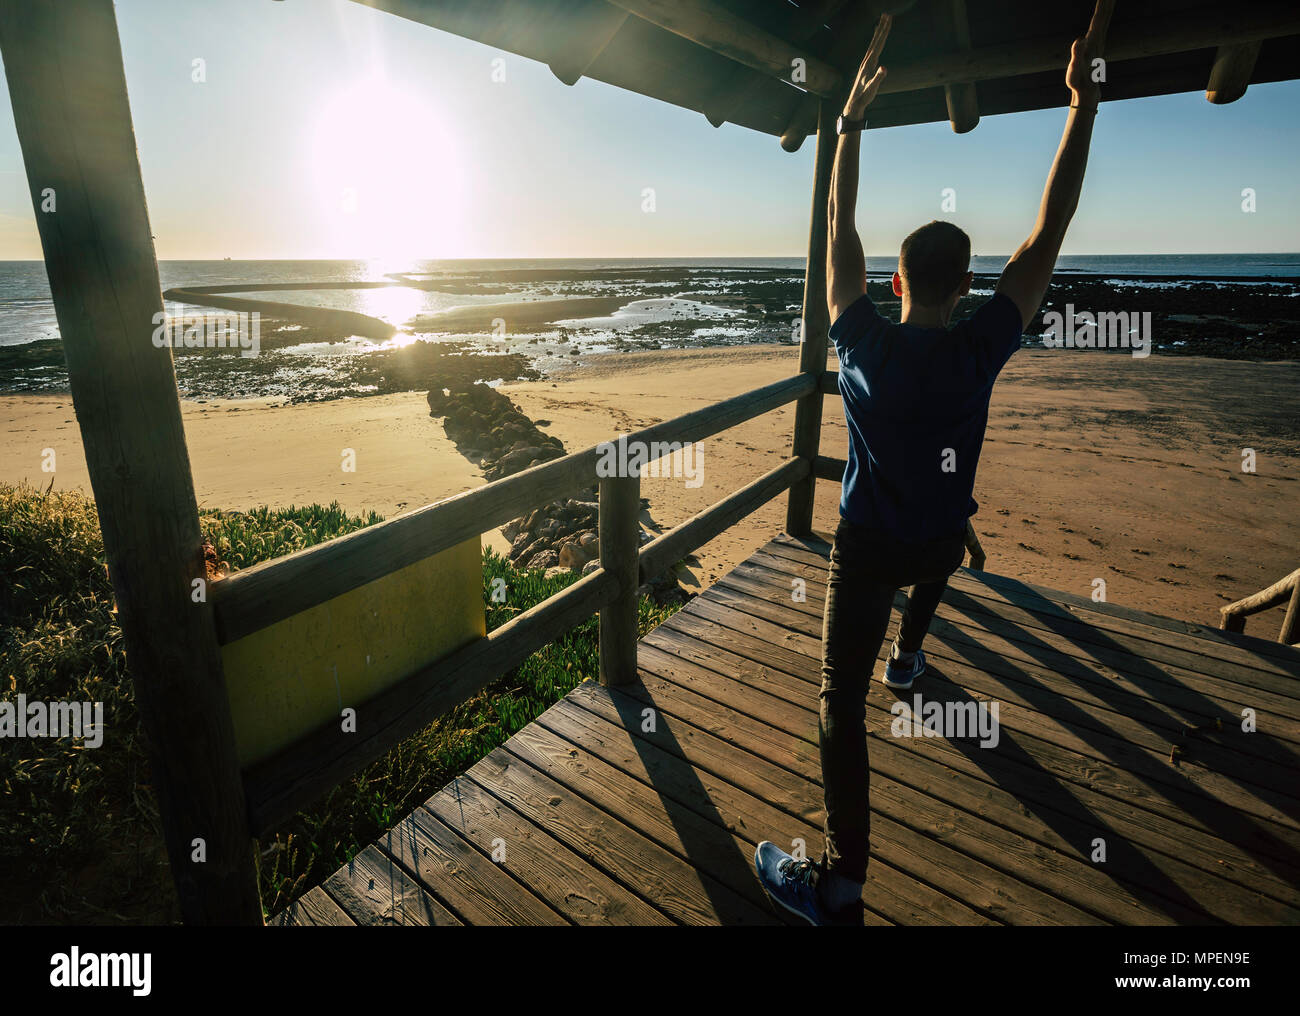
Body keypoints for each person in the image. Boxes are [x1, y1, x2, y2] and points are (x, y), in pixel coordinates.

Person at [755, 1, 1112, 926]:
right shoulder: (981, 347)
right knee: (944, 547)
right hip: (939, 548)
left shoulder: (862, 341)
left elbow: (839, 222)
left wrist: (850, 123)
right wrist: (1084, 105)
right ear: (965, 286)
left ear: (900, 281)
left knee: (838, 703)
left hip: (869, 549)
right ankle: (911, 659)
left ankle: (843, 881)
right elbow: (1051, 228)